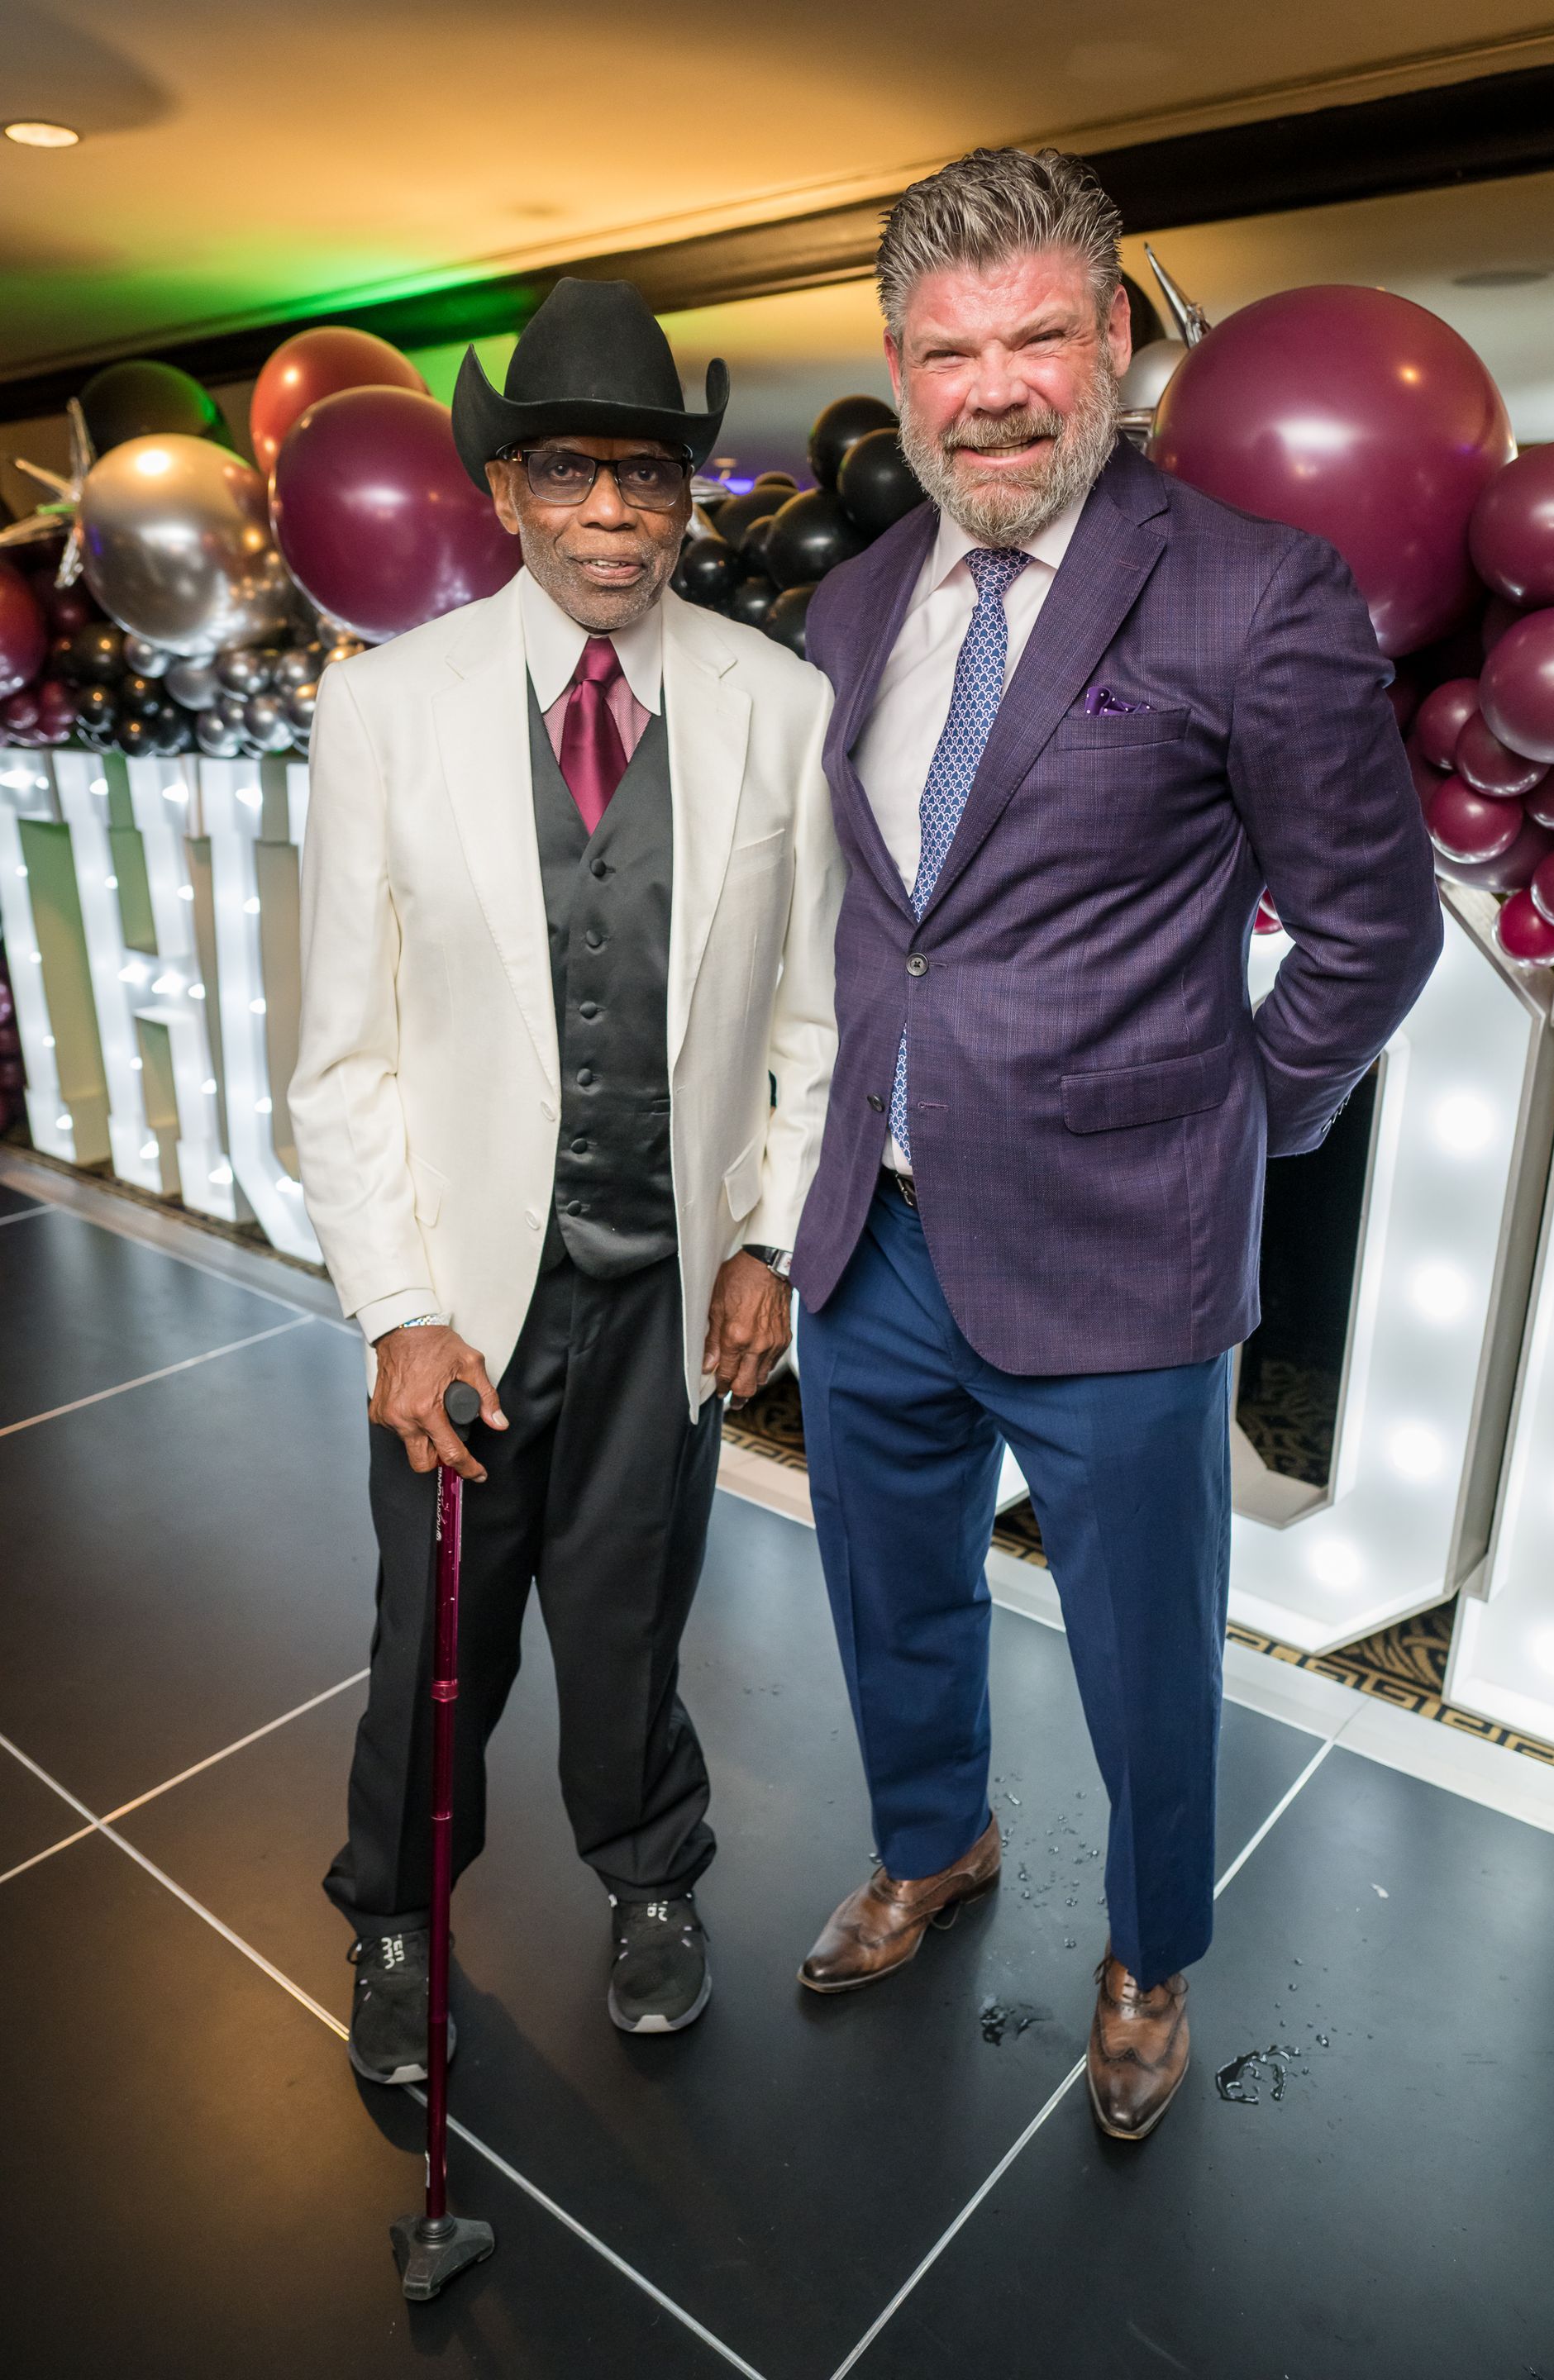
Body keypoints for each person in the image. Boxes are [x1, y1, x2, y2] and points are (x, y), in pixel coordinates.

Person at [790, 149, 1442, 2140]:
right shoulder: (851, 602)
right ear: (898, 370)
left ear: (1125, 341)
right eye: (949, 349)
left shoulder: (1253, 590)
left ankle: (1154, 1951)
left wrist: (1237, 1134)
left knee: (1148, 1661)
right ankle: (935, 1843)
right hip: (874, 1245)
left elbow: (1373, 929)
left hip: (1126, 1264)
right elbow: (868, 921)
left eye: (1039, 339)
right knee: (888, 1599)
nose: (992, 389)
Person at [289, 278, 841, 2078]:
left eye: (649, 478)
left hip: (664, 1290)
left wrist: (765, 1236)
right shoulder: (387, 714)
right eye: (572, 473)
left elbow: (819, 1020)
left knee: (631, 1626)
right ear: (508, 490)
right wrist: (396, 1309)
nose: (614, 514)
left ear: (689, 498)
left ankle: (651, 1873)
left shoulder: (778, 703)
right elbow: (344, 1054)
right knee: (430, 1642)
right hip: (464, 1303)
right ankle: (394, 1911)